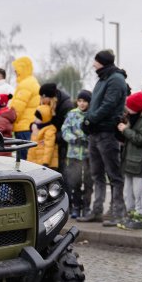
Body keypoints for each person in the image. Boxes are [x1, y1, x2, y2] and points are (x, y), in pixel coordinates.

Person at [78, 49, 128, 225]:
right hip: (95, 133)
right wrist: (88, 121)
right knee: (96, 174)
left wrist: (90, 119)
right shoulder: (103, 78)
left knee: (114, 175)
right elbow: (95, 105)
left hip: (107, 133)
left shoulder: (116, 79)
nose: (93, 64)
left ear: (103, 62)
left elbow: (108, 105)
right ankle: (97, 210)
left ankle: (117, 212)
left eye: (96, 61)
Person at [116, 91, 142, 230]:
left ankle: (139, 218)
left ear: (136, 107)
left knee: (138, 192)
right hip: (131, 162)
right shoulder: (136, 119)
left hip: (140, 163)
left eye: (129, 107)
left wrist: (125, 131)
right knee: (128, 192)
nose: (127, 109)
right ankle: (131, 216)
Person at [61, 90, 92, 218]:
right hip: (74, 153)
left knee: (89, 182)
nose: (82, 103)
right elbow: (65, 130)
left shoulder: (92, 115)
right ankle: (76, 207)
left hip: (88, 153)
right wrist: (74, 138)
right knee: (75, 181)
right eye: (80, 101)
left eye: (85, 101)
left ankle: (86, 207)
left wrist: (86, 139)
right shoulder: (72, 114)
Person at [9, 56, 40, 160]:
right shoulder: (31, 81)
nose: (15, 72)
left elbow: (17, 108)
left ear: (22, 68)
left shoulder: (26, 84)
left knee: (23, 160)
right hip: (28, 125)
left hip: (23, 126)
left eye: (16, 69)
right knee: (28, 157)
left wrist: (9, 118)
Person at [38, 82, 73, 164]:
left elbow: (69, 129)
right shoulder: (46, 103)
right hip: (49, 141)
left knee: (61, 167)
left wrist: (52, 138)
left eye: (42, 97)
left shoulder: (66, 106)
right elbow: (39, 118)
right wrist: (33, 126)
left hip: (62, 143)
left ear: (49, 97)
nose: (41, 100)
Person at [26, 104, 58, 169]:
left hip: (44, 164)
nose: (35, 119)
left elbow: (49, 147)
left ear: (44, 118)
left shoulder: (49, 129)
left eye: (37, 118)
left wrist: (45, 163)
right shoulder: (36, 127)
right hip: (35, 162)